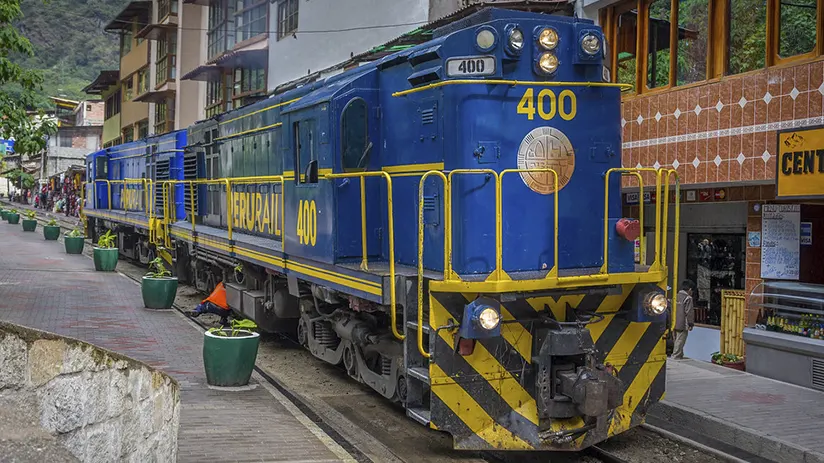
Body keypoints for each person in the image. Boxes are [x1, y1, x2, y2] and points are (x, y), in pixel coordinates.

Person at [672, 279, 696, 360]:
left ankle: (680, 356)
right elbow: (689, 312)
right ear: (689, 289)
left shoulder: (675, 296)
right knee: (680, 341)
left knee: (676, 340)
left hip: (673, 322)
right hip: (683, 323)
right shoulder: (688, 298)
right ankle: (676, 356)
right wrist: (691, 324)